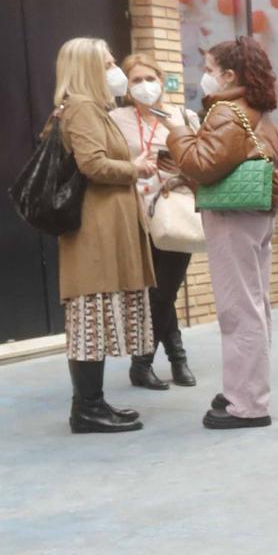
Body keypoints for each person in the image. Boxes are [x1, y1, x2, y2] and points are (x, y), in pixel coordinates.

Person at [165, 36, 278, 430]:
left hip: (233, 216)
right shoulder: (258, 113)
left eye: (209, 70)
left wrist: (176, 132)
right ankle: (245, 389)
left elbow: (201, 164)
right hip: (255, 215)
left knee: (238, 310)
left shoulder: (226, 112)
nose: (205, 78)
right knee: (255, 304)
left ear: (229, 75)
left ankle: (247, 403)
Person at [54, 37, 157, 434]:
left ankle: (93, 403)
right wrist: (135, 167)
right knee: (90, 319)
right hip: (93, 233)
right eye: (109, 63)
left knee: (95, 317)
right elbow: (93, 165)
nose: (116, 71)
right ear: (86, 68)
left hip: (104, 228)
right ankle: (87, 409)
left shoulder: (92, 108)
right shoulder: (81, 108)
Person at [109, 52, 200, 390]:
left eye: (150, 79)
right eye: (136, 80)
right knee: (154, 291)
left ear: (162, 81)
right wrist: (135, 162)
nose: (145, 86)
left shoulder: (183, 116)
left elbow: (199, 160)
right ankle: (176, 360)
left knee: (165, 290)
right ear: (127, 86)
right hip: (133, 212)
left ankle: (145, 363)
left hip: (174, 209)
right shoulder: (116, 119)